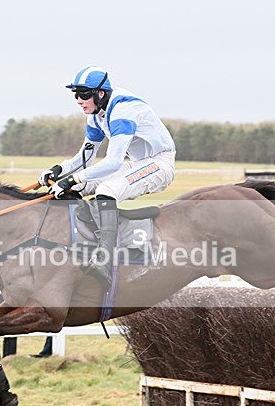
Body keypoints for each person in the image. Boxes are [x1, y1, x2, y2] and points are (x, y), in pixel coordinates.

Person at [39, 66, 176, 288]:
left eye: (84, 94)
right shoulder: (96, 115)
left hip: (159, 163)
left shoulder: (124, 110)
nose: (78, 100)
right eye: (76, 95)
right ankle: (79, 245)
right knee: (75, 190)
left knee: (106, 190)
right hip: (136, 164)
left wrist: (74, 178)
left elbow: (113, 162)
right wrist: (60, 170)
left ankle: (105, 260)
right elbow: (85, 158)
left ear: (100, 93)